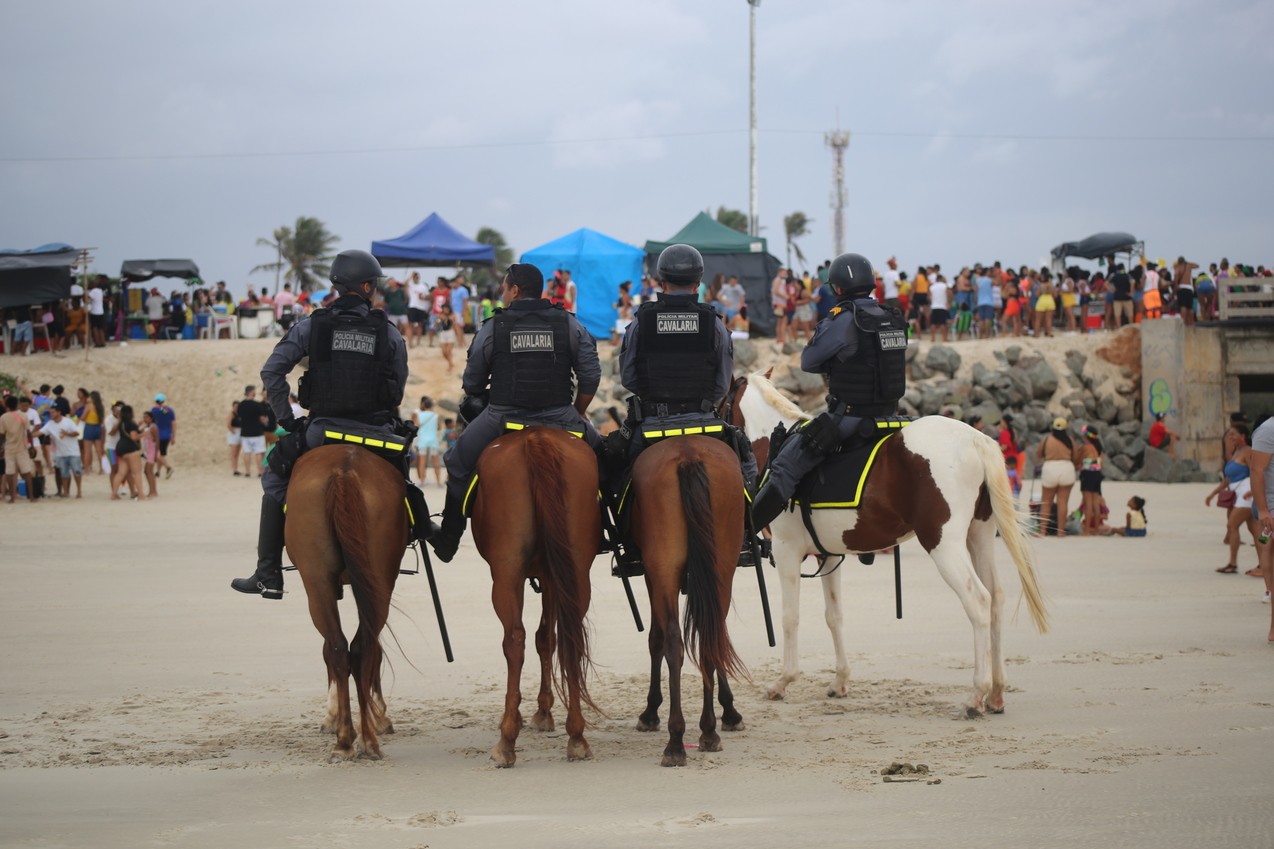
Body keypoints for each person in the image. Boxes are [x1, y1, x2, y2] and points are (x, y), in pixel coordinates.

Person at [232, 249, 411, 599]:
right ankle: (423, 529)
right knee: (402, 483)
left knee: (273, 477)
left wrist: (288, 419)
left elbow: (272, 371)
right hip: (376, 433)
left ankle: (268, 572)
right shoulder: (387, 332)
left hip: (322, 431)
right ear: (365, 286)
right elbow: (398, 388)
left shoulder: (312, 324)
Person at [429, 262, 602, 564]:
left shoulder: (494, 326)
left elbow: (472, 382)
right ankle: (606, 533)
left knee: (456, 463)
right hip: (562, 415)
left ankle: (449, 539)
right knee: (608, 461)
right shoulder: (568, 323)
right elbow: (591, 375)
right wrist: (578, 412)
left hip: (502, 416)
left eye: (504, 288)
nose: (502, 294)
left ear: (515, 290)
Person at [751, 252, 906, 530]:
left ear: (837, 288)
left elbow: (809, 362)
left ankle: (746, 533)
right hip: (891, 414)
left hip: (850, 418)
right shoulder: (891, 316)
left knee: (785, 465)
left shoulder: (844, 319)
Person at [1247, 415, 1274, 627]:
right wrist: (1264, 510)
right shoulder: (1268, 430)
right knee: (1266, 546)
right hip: (1270, 506)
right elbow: (1256, 469)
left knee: (1266, 546)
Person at [1036, 418, 1079, 537]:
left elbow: (1039, 454)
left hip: (1050, 468)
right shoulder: (1070, 440)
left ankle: (1042, 531)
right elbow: (1076, 457)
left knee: (1046, 503)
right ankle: (1060, 531)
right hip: (1066, 469)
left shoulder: (1046, 440)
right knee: (1063, 502)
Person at [1, 395, 37, 502]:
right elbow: (29, 433)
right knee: (27, 473)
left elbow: (1, 435)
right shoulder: (23, 416)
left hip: (9, 449)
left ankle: (12, 498)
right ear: (17, 404)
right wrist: (32, 447)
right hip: (22, 448)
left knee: (10, 473)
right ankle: (31, 496)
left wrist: (0, 447)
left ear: (7, 406)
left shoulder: (3, 417)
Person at [236, 385, 273, 479]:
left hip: (245, 432)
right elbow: (262, 419)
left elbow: (239, 417)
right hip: (257, 432)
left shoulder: (241, 405)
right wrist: (266, 421)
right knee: (258, 452)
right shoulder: (257, 405)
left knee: (247, 452)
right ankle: (260, 472)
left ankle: (247, 472)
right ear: (252, 392)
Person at [1077, 425, 1105, 536]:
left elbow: (1078, 459)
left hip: (1087, 475)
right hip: (1097, 474)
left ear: (1086, 435)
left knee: (1087, 503)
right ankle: (1097, 529)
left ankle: (1087, 530)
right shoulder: (1098, 447)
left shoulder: (1086, 447)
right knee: (1095, 503)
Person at [412, 396, 443, 486]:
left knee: (422, 462)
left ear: (424, 406)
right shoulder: (436, 416)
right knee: (436, 462)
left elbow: (416, 426)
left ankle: (422, 481)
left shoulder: (419, 415)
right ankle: (438, 481)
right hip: (433, 440)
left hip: (422, 441)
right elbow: (439, 427)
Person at [150, 394, 176, 479]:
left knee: (158, 455)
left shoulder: (154, 410)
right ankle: (158, 472)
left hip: (157, 435)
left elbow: (151, 423)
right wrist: (173, 436)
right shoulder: (170, 410)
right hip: (167, 435)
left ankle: (168, 467)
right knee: (162, 454)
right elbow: (173, 424)